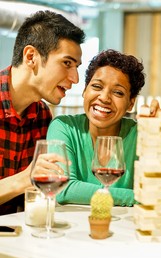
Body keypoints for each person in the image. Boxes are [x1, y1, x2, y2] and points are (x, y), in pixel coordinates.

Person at [0, 10, 86, 215]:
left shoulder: (42, 115)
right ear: (31, 57)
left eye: (76, 67)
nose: (75, 78)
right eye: (67, 63)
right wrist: (23, 179)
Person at [46, 49, 153, 206]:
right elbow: (62, 188)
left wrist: (160, 128)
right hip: (73, 227)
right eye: (97, 86)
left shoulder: (140, 134)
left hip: (126, 228)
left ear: (131, 103)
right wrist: (136, 197)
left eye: (118, 92)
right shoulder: (64, 127)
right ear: (84, 91)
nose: (104, 98)